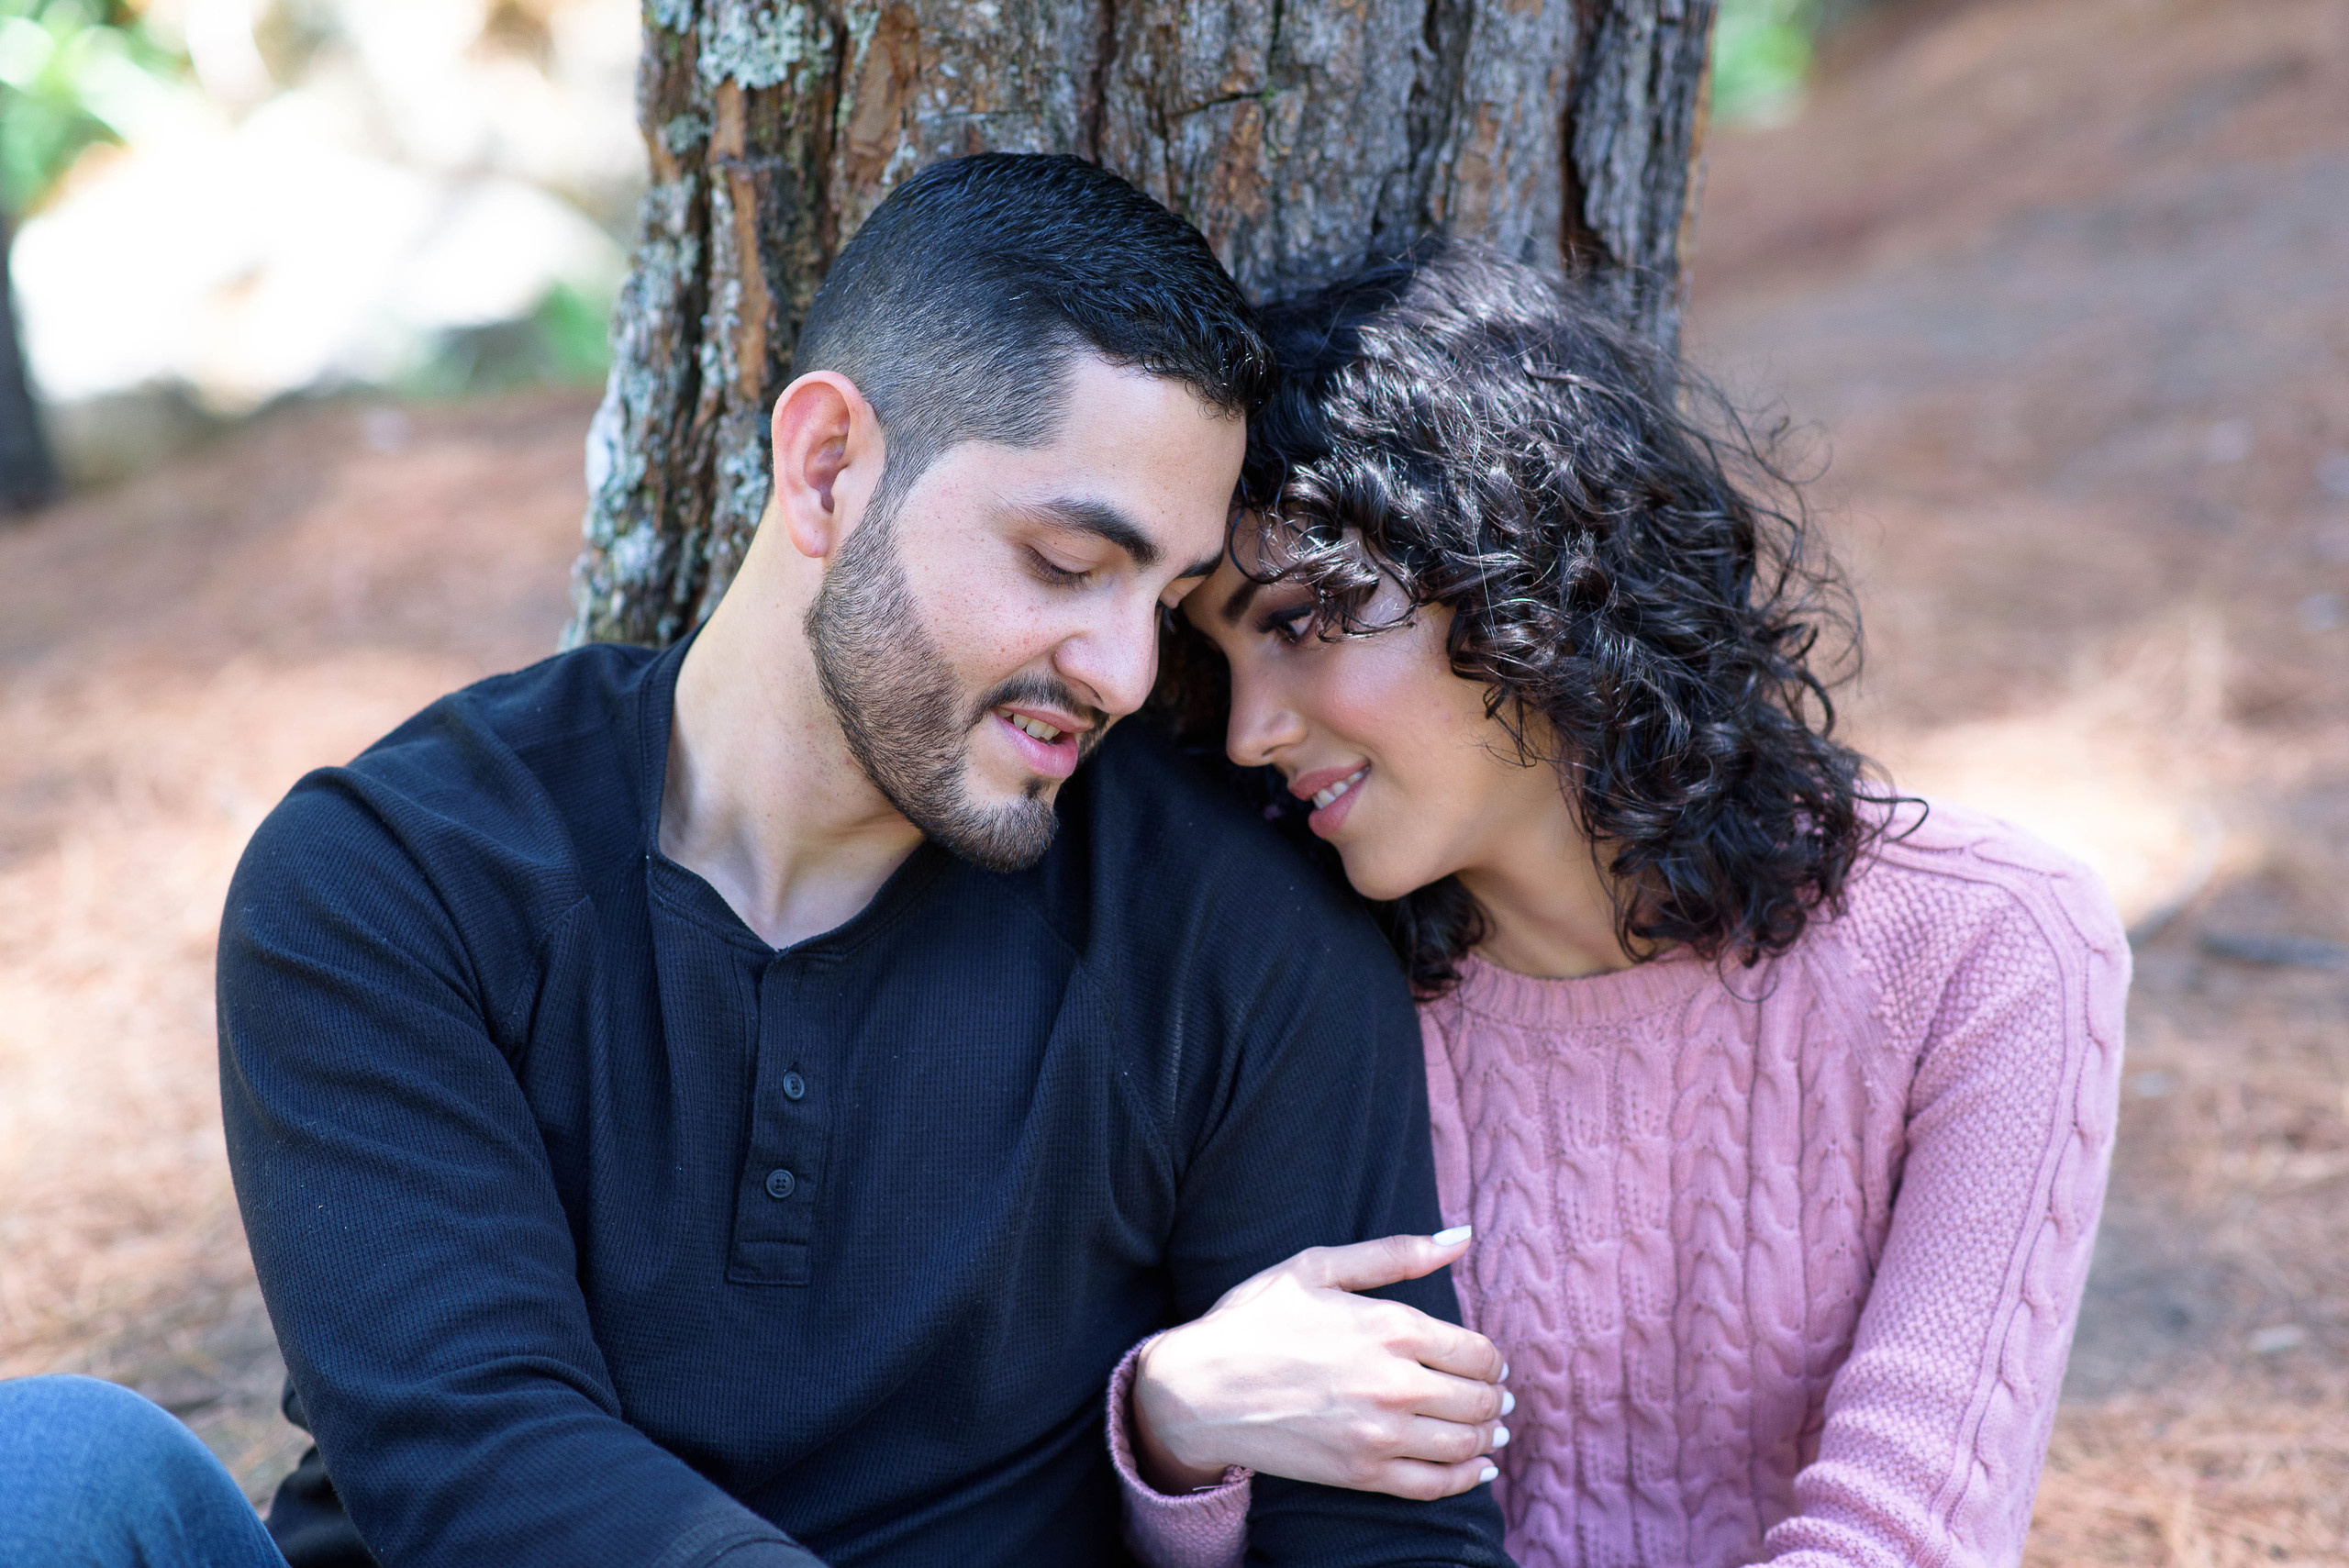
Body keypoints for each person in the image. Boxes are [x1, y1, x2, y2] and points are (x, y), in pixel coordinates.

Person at [1, 158, 1517, 1568]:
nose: (1125, 670)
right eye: (1065, 566)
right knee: (57, 1468)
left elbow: (1385, 1534)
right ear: (826, 464)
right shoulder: (401, 877)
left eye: (1167, 598)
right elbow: (473, 1456)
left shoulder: (1235, 942)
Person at [1106, 240, 2129, 1568]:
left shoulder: (1987, 950)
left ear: (1515, 562)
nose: (1247, 731)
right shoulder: (1310, 995)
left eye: (1302, 617)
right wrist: (1179, 1427)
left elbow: (1903, 1534)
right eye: (1217, 654)